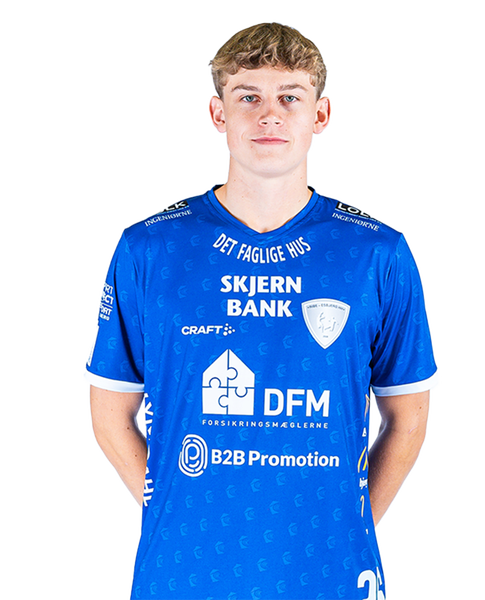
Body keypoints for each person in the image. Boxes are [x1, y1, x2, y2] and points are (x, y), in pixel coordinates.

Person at [82, 19, 441, 599]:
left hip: (330, 575)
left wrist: (344, 528)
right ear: (216, 113)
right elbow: (108, 412)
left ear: (322, 114)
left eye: (289, 97)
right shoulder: (149, 247)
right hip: (185, 571)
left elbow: (409, 417)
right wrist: (176, 509)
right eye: (248, 97)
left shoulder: (378, 252)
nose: (269, 115)